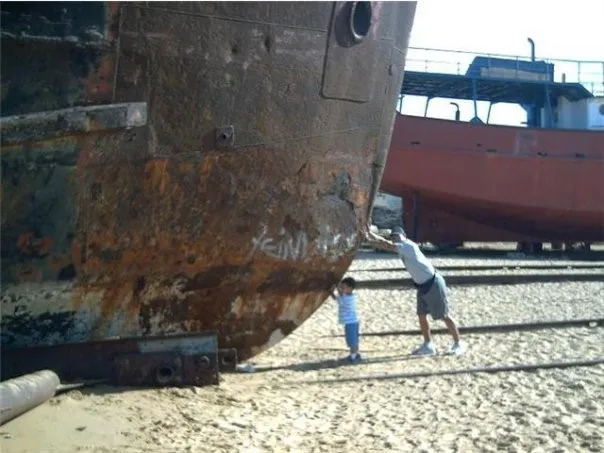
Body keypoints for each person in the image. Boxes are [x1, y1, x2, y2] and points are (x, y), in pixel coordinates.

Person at [364, 225, 464, 356]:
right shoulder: (401, 248)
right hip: (421, 286)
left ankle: (458, 344)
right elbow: (385, 245)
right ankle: (428, 345)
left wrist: (369, 236)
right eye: (393, 237)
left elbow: (386, 245)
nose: (395, 239)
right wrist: (369, 237)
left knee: (444, 315)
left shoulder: (408, 246)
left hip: (433, 283)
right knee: (422, 316)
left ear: (403, 236)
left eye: (397, 236)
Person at [331, 276, 362, 362]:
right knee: (354, 340)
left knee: (352, 341)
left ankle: (353, 356)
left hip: (351, 322)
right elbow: (336, 297)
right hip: (352, 322)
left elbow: (340, 295)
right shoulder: (346, 297)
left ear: (350, 289)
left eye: (343, 287)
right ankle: (356, 354)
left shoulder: (348, 298)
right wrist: (331, 291)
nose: (341, 289)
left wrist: (336, 286)